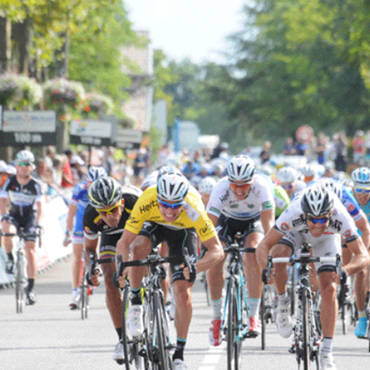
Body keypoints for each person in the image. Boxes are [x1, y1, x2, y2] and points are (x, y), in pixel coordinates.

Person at [115, 170, 224, 370]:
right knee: (138, 248)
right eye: (165, 204)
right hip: (154, 225)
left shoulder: (194, 206)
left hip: (182, 233)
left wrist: (195, 267)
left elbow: (217, 251)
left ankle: (179, 354)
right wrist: (120, 268)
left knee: (183, 296)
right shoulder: (147, 199)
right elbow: (124, 242)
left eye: (176, 206)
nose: (170, 211)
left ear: (184, 201)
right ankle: (137, 303)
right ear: (158, 199)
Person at [256, 185, 369, 369]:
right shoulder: (293, 212)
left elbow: (363, 255)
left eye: (322, 219)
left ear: (330, 213)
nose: (317, 224)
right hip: (297, 233)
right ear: (304, 214)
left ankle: (326, 351)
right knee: (278, 256)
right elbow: (264, 245)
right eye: (313, 219)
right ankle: (283, 303)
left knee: (330, 287)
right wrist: (265, 268)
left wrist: (345, 271)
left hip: (327, 239)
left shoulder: (341, 216)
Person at [206, 154, 275, 345]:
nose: (238, 189)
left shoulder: (262, 186)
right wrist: (205, 251)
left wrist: (269, 253)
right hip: (226, 221)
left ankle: (253, 316)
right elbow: (209, 224)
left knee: (252, 252)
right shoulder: (220, 187)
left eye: (244, 185)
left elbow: (269, 225)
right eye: (234, 185)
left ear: (252, 181)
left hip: (253, 221)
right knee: (215, 259)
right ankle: (217, 317)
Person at [83, 176, 143, 362]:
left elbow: (152, 235)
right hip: (110, 239)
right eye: (103, 212)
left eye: (113, 209)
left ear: (122, 203)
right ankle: (122, 339)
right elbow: (89, 249)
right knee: (110, 279)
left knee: (138, 261)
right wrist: (91, 268)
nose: (109, 216)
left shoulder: (135, 202)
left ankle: (143, 303)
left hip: (136, 232)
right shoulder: (90, 216)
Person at [0, 150, 44, 305]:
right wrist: (4, 215)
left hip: (29, 217)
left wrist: (38, 223)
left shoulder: (35, 185)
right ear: (16, 165)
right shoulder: (10, 181)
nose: (23, 167)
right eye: (20, 164)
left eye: (27, 164)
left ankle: (30, 289)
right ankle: (11, 259)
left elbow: (40, 207)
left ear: (32, 167)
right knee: (6, 230)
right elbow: (3, 200)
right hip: (14, 215)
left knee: (30, 251)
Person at [63, 166, 107, 309]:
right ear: (86, 182)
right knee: (76, 256)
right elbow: (71, 213)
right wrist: (67, 232)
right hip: (82, 224)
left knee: (95, 251)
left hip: (99, 223)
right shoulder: (79, 190)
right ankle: (75, 290)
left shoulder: (106, 190)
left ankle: (92, 273)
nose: (93, 187)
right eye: (90, 183)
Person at [350, 167, 370, 338]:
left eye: (368, 190)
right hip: (354, 238)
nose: (364, 194)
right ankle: (362, 317)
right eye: (360, 190)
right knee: (361, 272)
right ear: (353, 188)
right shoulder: (348, 200)